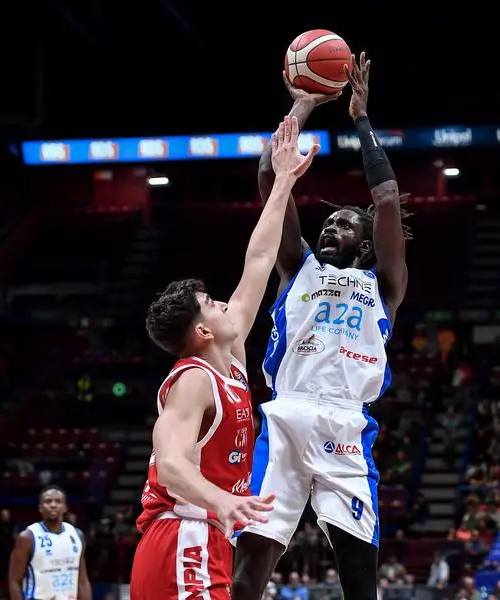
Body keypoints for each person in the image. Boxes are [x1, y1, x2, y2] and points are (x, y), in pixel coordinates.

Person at [233, 52, 409, 600]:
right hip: (285, 417)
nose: (331, 227)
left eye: (343, 224)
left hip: (347, 428)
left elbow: (385, 199)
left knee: (361, 582)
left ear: (363, 241)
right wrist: (302, 104)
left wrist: (361, 120)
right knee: (249, 572)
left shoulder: (385, 286)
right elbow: (268, 176)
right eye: (327, 221)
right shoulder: (297, 266)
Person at [129, 116, 320, 600]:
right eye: (212, 303)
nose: (224, 303)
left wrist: (283, 182)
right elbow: (171, 464)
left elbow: (258, 262)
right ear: (201, 331)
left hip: (207, 535)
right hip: (182, 534)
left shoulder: (229, 359)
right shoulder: (192, 380)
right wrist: (221, 501)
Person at [8, 486, 91, 600]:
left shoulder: (77, 535)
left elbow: (82, 580)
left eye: (58, 501)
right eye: (48, 501)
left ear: (65, 507)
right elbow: (15, 581)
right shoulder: (28, 537)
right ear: (40, 508)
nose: (53, 505)